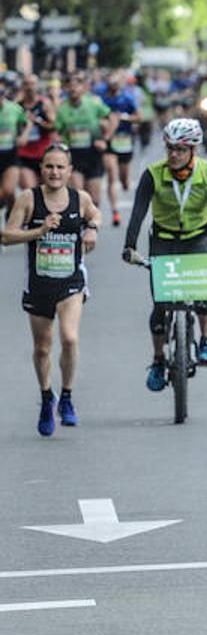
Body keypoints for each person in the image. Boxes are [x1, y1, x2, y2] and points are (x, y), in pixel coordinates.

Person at [121, 119, 207, 390]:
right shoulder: (153, 174)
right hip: (164, 240)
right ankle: (159, 359)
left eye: (181, 149)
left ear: (193, 150)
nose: (174, 155)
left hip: (199, 236)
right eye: (170, 148)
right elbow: (138, 212)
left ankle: (206, 340)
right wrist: (130, 245)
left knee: (203, 292)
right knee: (161, 305)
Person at [2, 144, 101, 436]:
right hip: (39, 283)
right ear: (41, 170)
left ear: (70, 171)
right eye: (49, 167)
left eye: (60, 167)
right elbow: (6, 236)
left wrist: (93, 227)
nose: (55, 172)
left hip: (70, 281)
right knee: (42, 347)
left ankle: (67, 397)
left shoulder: (79, 198)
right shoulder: (28, 199)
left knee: (69, 339)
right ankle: (47, 397)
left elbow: (95, 214)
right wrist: (40, 231)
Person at [55, 73, 111, 213]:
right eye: (70, 86)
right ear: (66, 88)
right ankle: (80, 229)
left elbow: (111, 119)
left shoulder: (93, 103)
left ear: (83, 88)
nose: (73, 89)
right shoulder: (62, 109)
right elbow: (57, 132)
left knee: (95, 199)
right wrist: (59, 140)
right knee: (78, 196)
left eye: (76, 85)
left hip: (93, 155)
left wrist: (105, 139)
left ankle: (90, 225)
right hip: (74, 156)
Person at [101, 75, 140, 227]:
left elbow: (139, 117)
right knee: (111, 175)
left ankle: (125, 182)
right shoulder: (102, 100)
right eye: (112, 83)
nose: (114, 85)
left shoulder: (127, 98)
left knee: (123, 179)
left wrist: (126, 118)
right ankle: (115, 211)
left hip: (124, 141)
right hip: (110, 141)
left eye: (117, 83)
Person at [17, 73, 56, 189]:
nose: (29, 87)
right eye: (26, 84)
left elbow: (54, 126)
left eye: (32, 84)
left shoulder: (44, 104)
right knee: (30, 190)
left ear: (37, 86)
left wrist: (38, 122)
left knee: (45, 191)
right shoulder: (17, 106)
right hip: (24, 153)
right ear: (22, 86)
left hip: (43, 153)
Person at [0, 86, 29, 211]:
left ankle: (11, 216)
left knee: (10, 191)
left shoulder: (14, 109)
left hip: (10, 156)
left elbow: (27, 123)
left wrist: (23, 136)